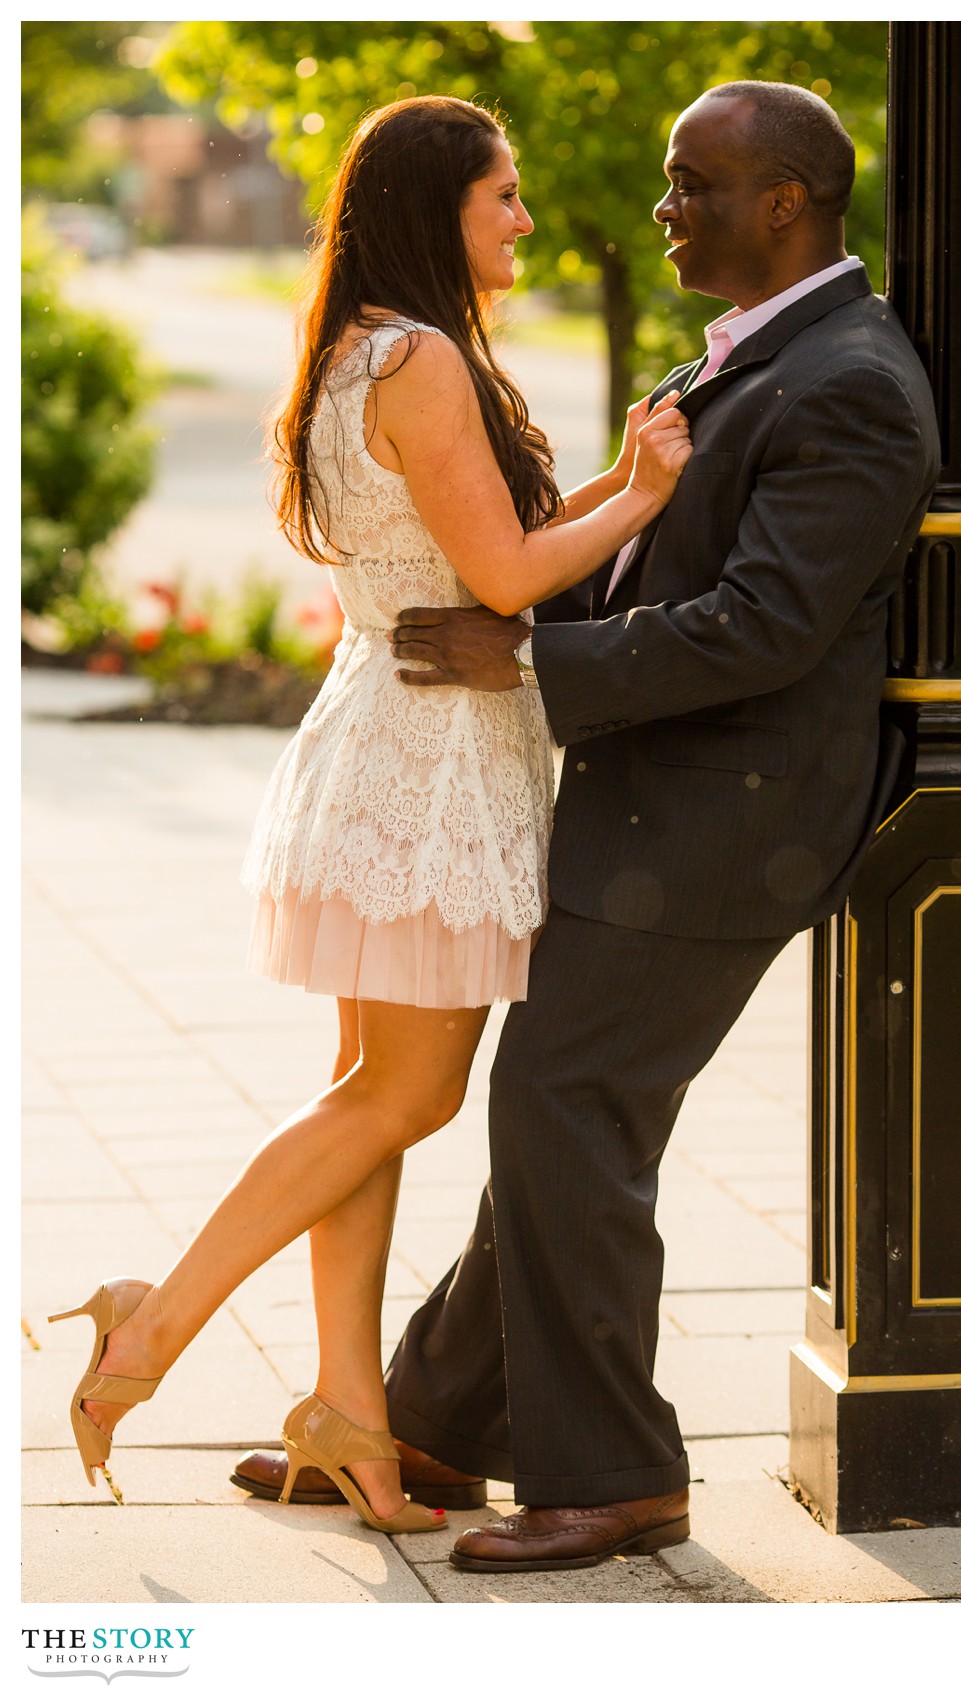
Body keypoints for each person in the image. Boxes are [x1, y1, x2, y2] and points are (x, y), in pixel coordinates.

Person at [233, 79, 941, 1572]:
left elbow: (768, 625)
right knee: (557, 1111)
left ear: (785, 205)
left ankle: (619, 1475)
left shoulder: (854, 379)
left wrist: (530, 659)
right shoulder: (777, 357)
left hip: (726, 826)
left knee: (568, 1109)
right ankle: (435, 1413)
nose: (663, 210)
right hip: (659, 802)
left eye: (694, 187)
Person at [47, 94, 691, 1537]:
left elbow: (476, 551)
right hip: (431, 761)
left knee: (365, 1098)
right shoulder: (425, 361)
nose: (524, 219)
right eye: (503, 196)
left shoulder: (358, 348)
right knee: (404, 1096)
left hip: (380, 740)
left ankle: (352, 1414)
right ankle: (153, 1326)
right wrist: (645, 496)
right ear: (436, 205)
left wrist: (618, 486)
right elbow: (515, 579)